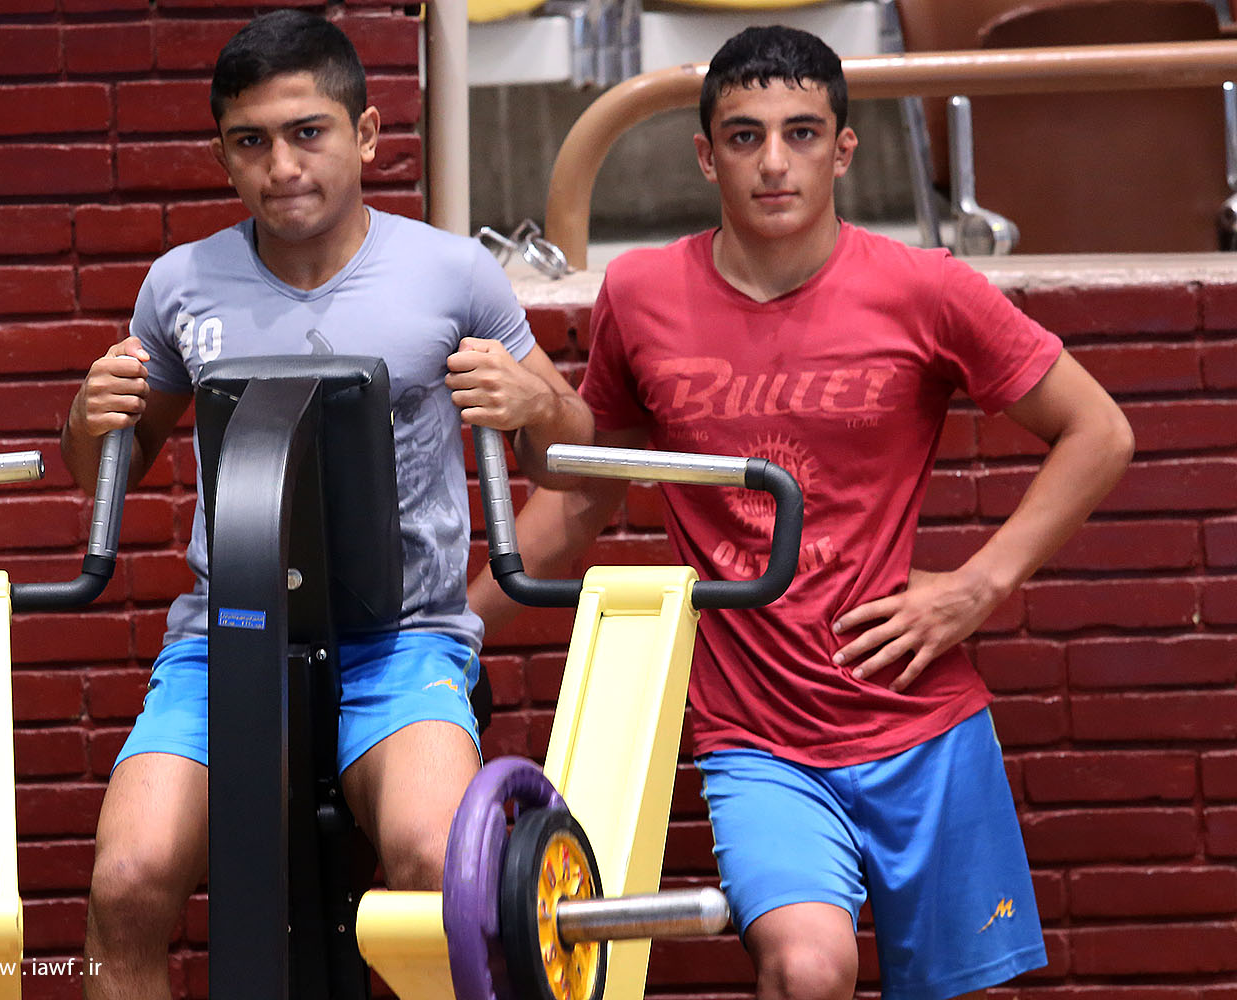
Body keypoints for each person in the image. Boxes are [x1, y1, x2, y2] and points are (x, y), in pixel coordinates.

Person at [468, 25, 1134, 1000]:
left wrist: (977, 587)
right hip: (756, 736)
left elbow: (1099, 431)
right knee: (806, 966)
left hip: (922, 721)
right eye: (745, 136)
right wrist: (451, 630)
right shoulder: (642, 293)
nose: (774, 162)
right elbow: (581, 500)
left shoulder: (926, 288)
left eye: (802, 133)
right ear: (706, 156)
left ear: (843, 149)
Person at [61, 10, 590, 999]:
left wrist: (537, 402)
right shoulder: (180, 285)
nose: (281, 166)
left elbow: (575, 460)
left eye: (307, 132)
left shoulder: (452, 274)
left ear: (367, 135)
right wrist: (87, 419)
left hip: (404, 642)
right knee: (126, 883)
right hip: (226, 640)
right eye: (250, 141)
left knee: (435, 869)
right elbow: (103, 475)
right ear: (223, 155)